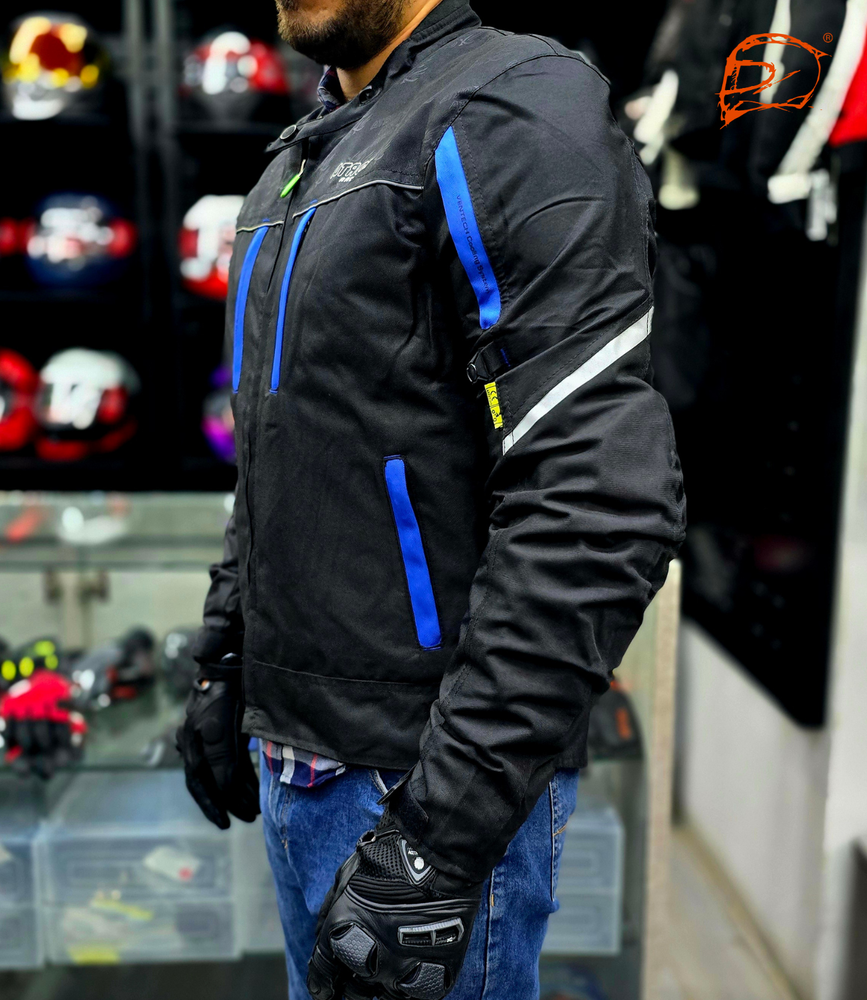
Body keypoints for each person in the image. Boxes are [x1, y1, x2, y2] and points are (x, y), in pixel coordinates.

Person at [177, 0, 686, 996]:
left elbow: (596, 493)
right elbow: (283, 453)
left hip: (416, 785)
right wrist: (227, 655)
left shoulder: (510, 107)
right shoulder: (299, 162)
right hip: (299, 760)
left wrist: (436, 839)